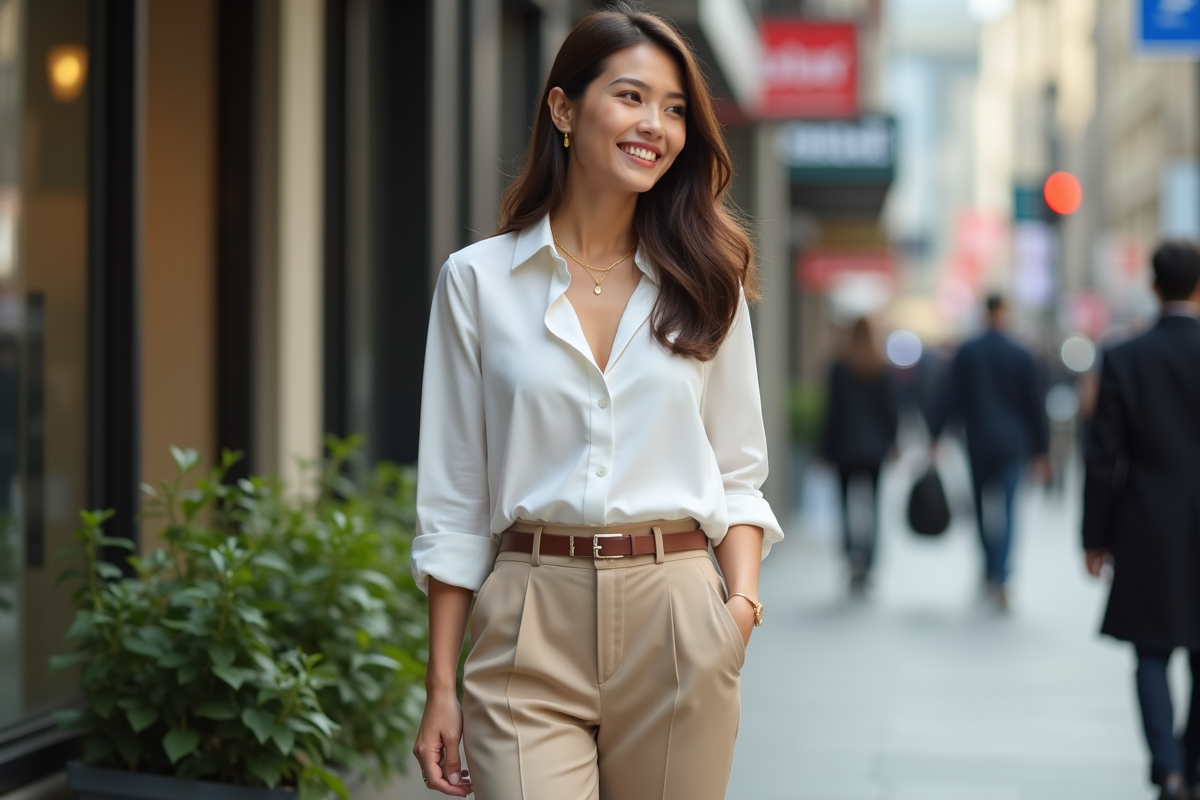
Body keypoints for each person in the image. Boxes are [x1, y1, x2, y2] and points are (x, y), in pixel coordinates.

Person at [409, 6, 784, 799]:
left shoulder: (708, 283)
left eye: (676, 108)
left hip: (679, 614)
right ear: (564, 109)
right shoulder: (477, 283)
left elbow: (740, 474)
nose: (656, 124)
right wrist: (441, 685)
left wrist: (738, 614)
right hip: (528, 617)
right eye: (631, 96)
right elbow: (453, 503)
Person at [1082, 241, 1200, 800]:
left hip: (1146, 521)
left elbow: (1103, 454)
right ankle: (1191, 764)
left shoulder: (1126, 356)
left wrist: (1094, 537)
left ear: (1153, 287)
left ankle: (1168, 769)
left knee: (1151, 650)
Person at [929, 294, 1049, 609]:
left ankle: (988, 568)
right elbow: (1033, 405)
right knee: (1009, 511)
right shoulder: (1021, 354)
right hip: (1013, 445)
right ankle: (1002, 576)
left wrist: (935, 434)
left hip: (978, 442)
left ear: (985, 313)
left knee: (982, 510)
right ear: (1005, 312)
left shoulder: (968, 351)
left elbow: (950, 395)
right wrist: (1042, 450)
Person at [819, 318, 899, 594]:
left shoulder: (839, 368)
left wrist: (824, 449)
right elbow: (890, 411)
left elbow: (831, 413)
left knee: (844, 508)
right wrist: (894, 443)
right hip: (874, 449)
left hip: (845, 448)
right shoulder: (881, 368)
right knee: (873, 508)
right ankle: (870, 562)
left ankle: (852, 559)